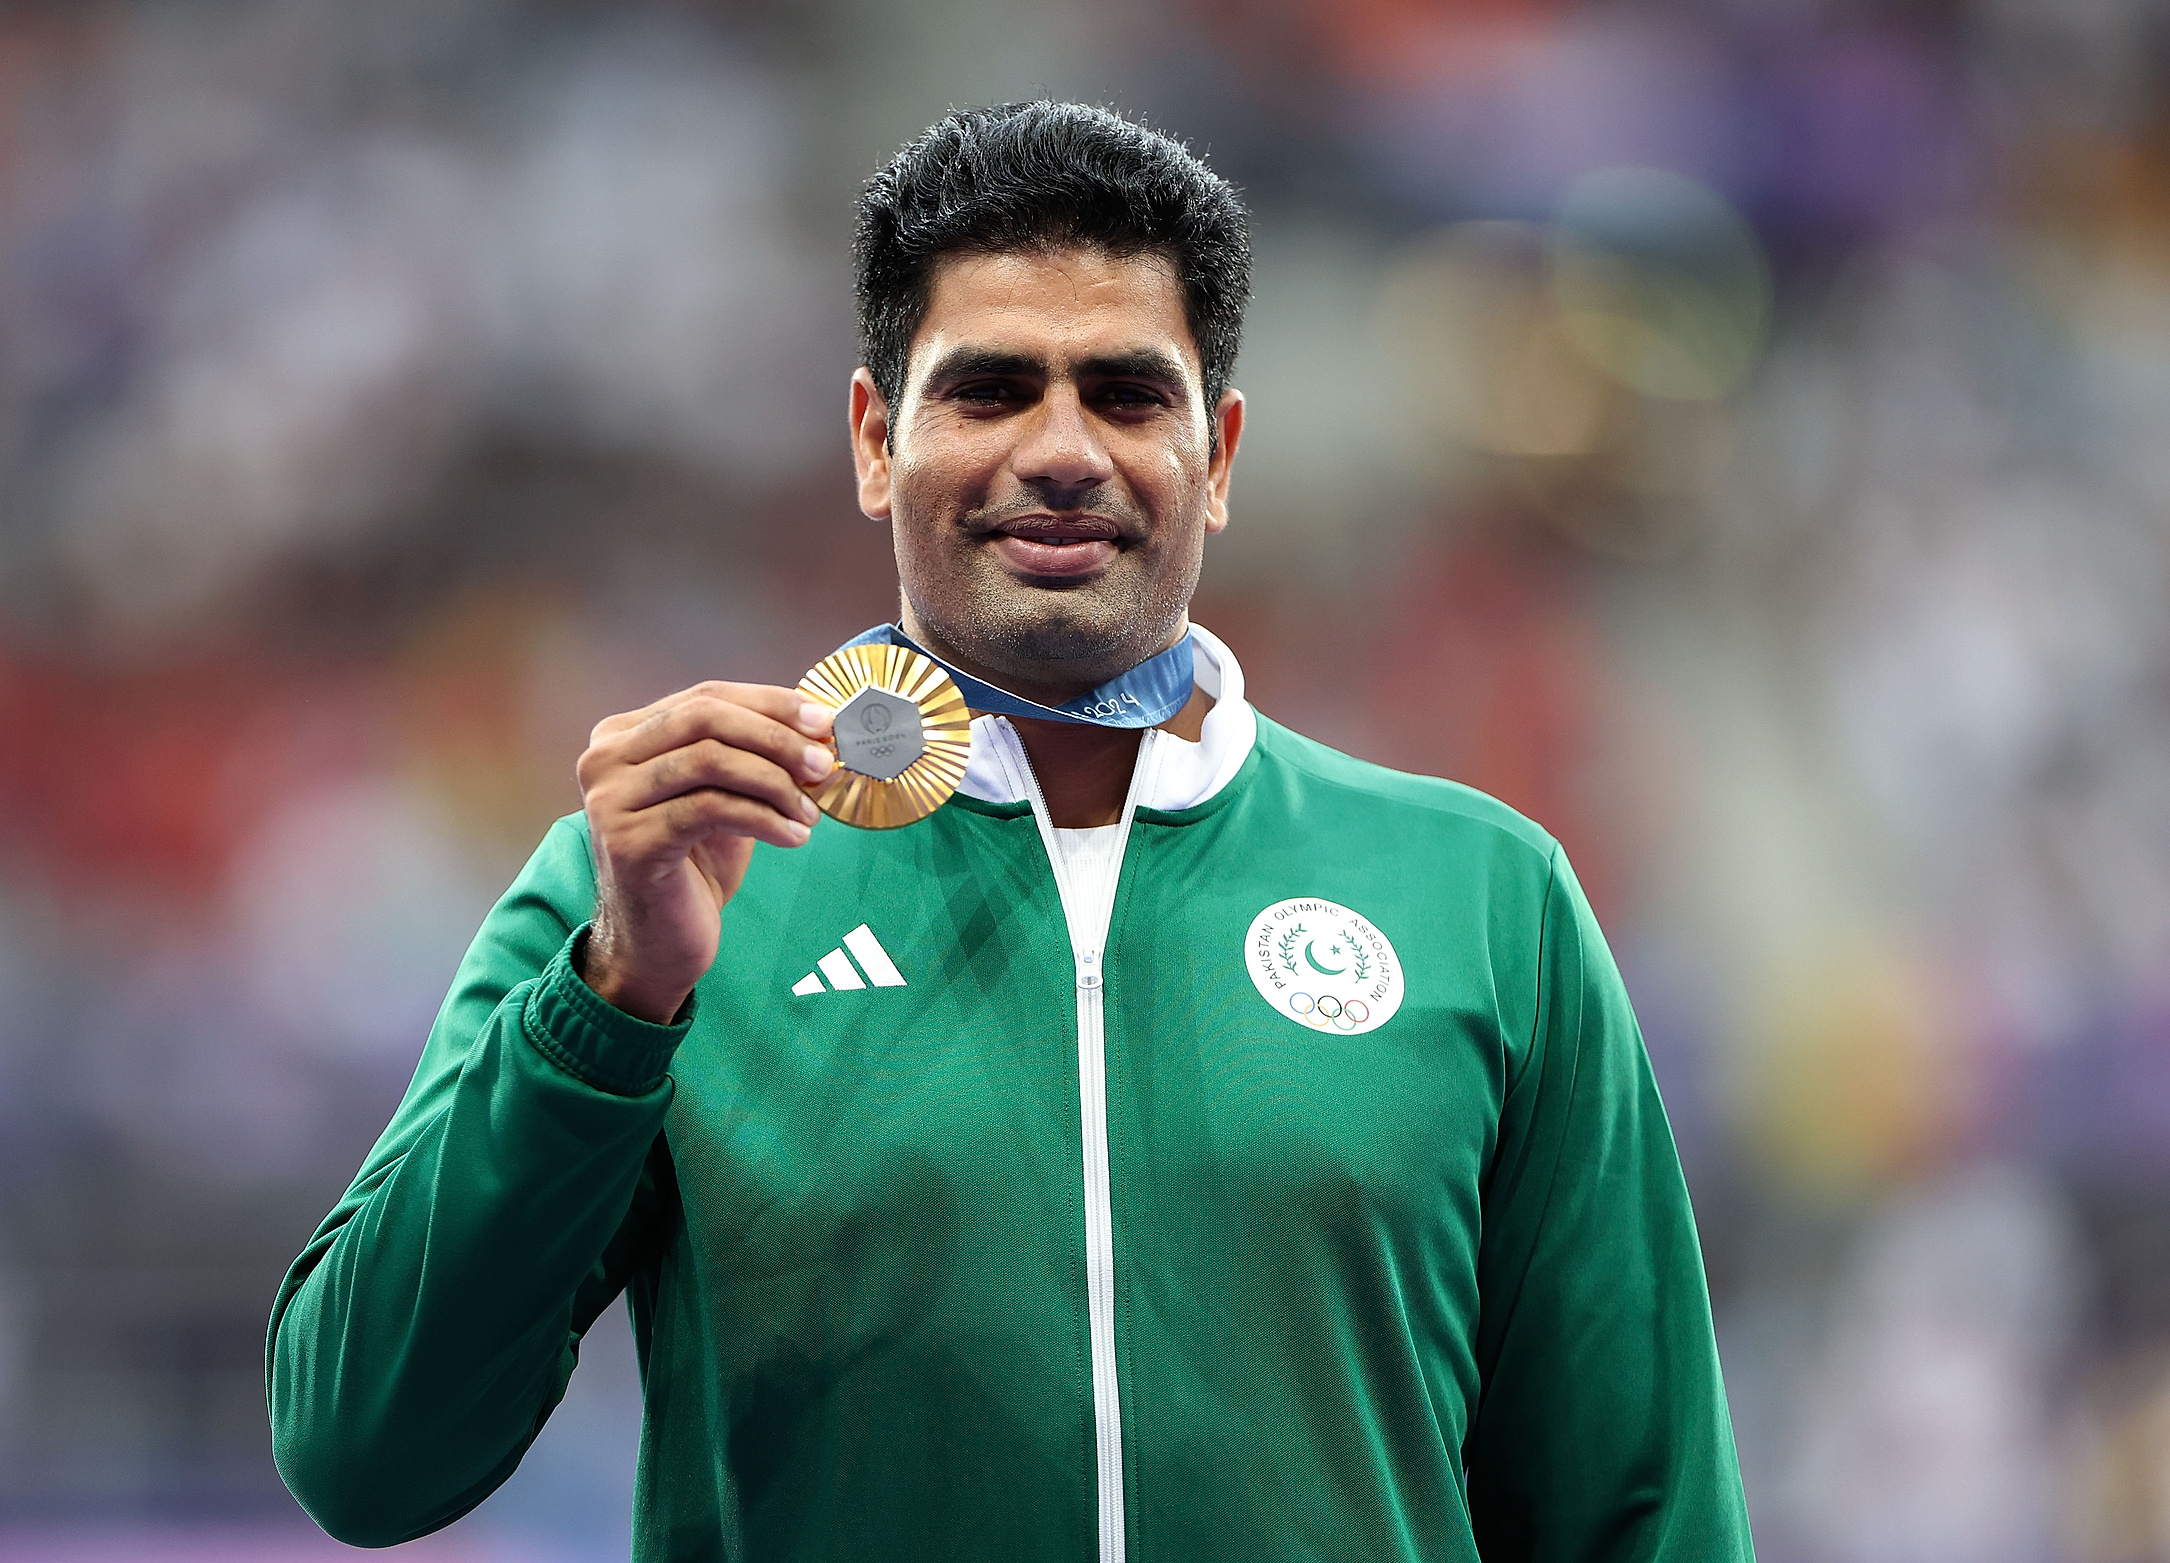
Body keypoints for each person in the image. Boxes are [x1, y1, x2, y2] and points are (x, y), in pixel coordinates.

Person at [267, 100, 1755, 1562]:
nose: (1060, 451)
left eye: (1125, 393)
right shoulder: (666, 884)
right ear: (872, 441)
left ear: (1217, 457)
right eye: (987, 391)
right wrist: (611, 1005)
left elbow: (1643, 1511)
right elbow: (365, 1454)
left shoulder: (1480, 897)